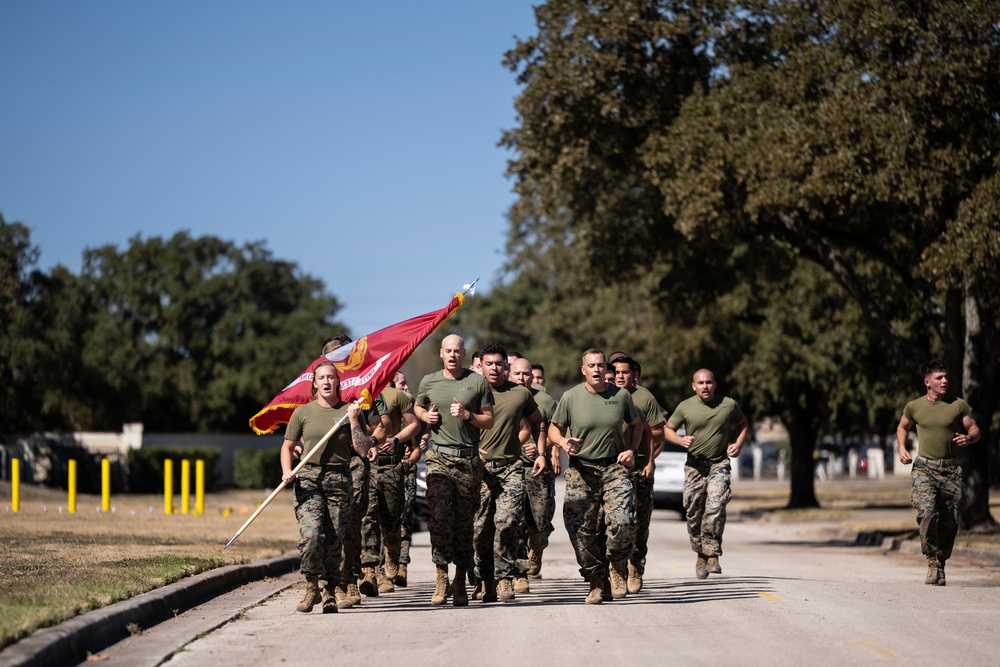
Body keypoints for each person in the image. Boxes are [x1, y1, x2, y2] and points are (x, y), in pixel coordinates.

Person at [548, 348, 642, 604]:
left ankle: (616, 565)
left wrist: (632, 450)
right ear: (583, 370)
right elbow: (553, 431)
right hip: (581, 470)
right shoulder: (570, 397)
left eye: (601, 365)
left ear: (606, 369)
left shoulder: (621, 396)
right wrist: (564, 442)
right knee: (580, 530)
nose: (597, 369)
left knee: (623, 522)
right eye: (592, 365)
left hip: (614, 468)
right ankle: (596, 582)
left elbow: (636, 425)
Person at [281, 362, 373, 613]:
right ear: (314, 383)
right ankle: (312, 586)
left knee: (335, 541)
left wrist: (354, 421)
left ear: (337, 382)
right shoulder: (303, 412)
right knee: (311, 536)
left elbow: (363, 449)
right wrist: (287, 470)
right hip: (309, 479)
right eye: (321, 377)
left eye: (331, 377)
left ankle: (331, 590)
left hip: (340, 480)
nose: (326, 382)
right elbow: (287, 446)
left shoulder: (349, 411)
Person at [414, 334, 495, 605]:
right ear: (441, 353)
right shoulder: (429, 381)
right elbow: (418, 406)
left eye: (457, 351)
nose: (452, 355)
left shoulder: (477, 381)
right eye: (447, 351)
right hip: (438, 457)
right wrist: (426, 416)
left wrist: (468, 416)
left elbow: (488, 421)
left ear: (463, 354)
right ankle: (441, 574)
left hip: (468, 462)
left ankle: (460, 578)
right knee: (439, 513)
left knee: (463, 524)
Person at [895, 358, 980, 586]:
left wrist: (969, 437)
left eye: (946, 377)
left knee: (950, 521)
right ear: (927, 382)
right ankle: (932, 559)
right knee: (927, 511)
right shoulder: (914, 406)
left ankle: (941, 562)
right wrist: (902, 448)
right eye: (939, 377)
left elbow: (974, 427)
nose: (945, 381)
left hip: (951, 470)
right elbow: (902, 426)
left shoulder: (958, 405)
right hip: (924, 468)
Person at [472, 344, 546, 602]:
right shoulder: (472, 391)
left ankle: (505, 578)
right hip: (479, 470)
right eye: (488, 364)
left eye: (498, 364)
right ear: (480, 365)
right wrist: (473, 450)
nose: (493, 368)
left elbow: (537, 422)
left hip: (511, 468)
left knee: (507, 522)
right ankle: (483, 579)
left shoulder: (520, 394)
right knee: (480, 528)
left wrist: (540, 453)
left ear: (506, 366)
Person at [665, 369, 748, 580]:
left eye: (709, 382)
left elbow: (742, 424)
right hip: (694, 466)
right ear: (694, 386)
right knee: (693, 514)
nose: (705, 386)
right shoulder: (685, 406)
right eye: (700, 383)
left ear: (715, 384)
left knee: (716, 506)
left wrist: (738, 444)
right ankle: (700, 554)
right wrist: (679, 440)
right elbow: (668, 429)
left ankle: (712, 554)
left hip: (718, 464)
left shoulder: (728, 404)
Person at [359, 378, 422, 593]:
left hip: (391, 466)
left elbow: (413, 427)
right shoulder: (355, 394)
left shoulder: (398, 397)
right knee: (368, 518)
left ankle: (392, 557)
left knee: (391, 520)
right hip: (367, 466)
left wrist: (396, 443)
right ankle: (370, 572)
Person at [610, 353, 665, 594]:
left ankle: (635, 566)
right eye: (617, 372)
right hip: (611, 469)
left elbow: (657, 434)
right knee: (617, 522)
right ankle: (617, 568)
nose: (620, 376)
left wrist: (650, 461)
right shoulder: (606, 396)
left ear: (634, 375)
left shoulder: (645, 398)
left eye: (625, 372)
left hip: (640, 469)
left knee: (639, 523)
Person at [510, 357, 558, 587]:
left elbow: (560, 431)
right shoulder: (502, 397)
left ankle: (536, 550)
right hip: (512, 467)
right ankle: (520, 573)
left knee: (539, 523)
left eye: (526, 374)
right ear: (510, 375)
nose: (521, 378)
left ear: (532, 377)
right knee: (514, 521)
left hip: (539, 469)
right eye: (517, 374)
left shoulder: (545, 401)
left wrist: (545, 447)